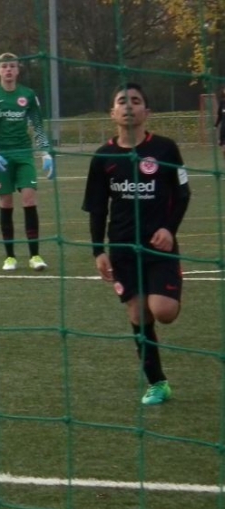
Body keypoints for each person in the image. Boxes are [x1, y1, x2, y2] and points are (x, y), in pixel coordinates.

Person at [82, 82, 190, 406]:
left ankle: (170, 283)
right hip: (122, 248)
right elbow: (97, 208)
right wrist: (98, 251)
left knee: (164, 311)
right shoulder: (103, 157)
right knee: (138, 313)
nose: (129, 106)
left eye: (136, 100)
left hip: (159, 247)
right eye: (122, 101)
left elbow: (182, 194)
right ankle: (157, 383)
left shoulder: (166, 149)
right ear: (112, 112)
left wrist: (169, 229)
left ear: (147, 111)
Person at [0, 52, 54, 272]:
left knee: (29, 199)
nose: (8, 70)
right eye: (4, 67)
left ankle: (35, 256)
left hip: (24, 154)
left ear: (18, 70)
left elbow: (38, 126)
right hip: (1, 157)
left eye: (12, 66)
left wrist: (46, 152)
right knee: (6, 202)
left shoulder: (28, 94)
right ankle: (10, 257)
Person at [215, 87, 225, 161]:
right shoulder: (222, 103)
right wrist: (215, 125)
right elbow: (220, 116)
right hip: (223, 129)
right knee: (223, 150)